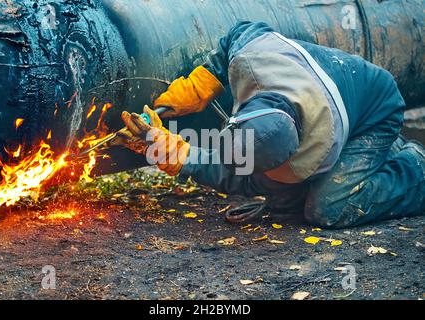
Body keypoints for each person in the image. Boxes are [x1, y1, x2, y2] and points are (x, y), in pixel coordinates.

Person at [116, 21, 424, 229]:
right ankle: (380, 156)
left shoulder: (322, 145)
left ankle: (415, 167)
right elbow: (242, 30)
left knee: (327, 207)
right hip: (335, 90)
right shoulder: (255, 55)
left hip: (375, 110)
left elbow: (244, 180)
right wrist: (202, 82)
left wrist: (181, 158)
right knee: (287, 194)